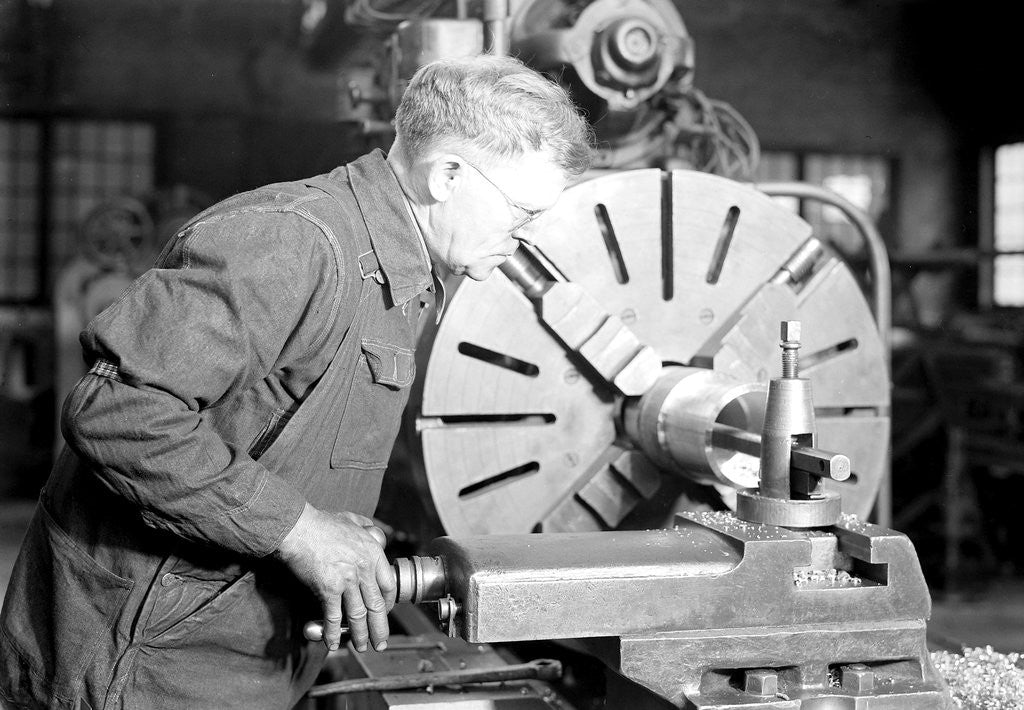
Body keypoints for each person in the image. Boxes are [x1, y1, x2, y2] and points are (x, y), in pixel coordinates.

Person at [0, 54, 594, 709]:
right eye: (522, 209)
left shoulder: (401, 272)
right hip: (143, 663)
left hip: (233, 652)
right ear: (447, 175)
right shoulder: (293, 242)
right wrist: (303, 530)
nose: (527, 234)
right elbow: (118, 412)